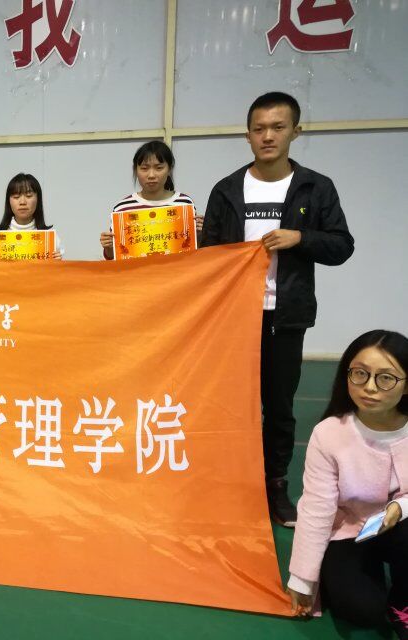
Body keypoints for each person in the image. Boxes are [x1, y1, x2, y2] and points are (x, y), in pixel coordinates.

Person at [201, 92, 354, 526]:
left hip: (285, 316)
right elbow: (209, 253)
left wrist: (300, 238)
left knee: (279, 407)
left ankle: (274, 486)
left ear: (295, 132)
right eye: (259, 128)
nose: (267, 136)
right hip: (234, 317)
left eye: (277, 127)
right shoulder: (227, 189)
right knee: (231, 406)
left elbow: (342, 245)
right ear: (247, 135)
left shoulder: (315, 187)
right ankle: (232, 485)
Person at [287, 330, 407, 638]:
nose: (370, 387)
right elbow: (316, 509)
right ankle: (359, 572)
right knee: (361, 610)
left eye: (386, 378)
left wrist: (400, 507)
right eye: (360, 373)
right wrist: (302, 579)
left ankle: (402, 601)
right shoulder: (329, 434)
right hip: (350, 530)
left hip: (401, 526)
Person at [100, 140, 202, 260]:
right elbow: (113, 256)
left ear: (169, 169)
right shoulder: (123, 208)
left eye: (159, 168)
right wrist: (108, 246)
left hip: (176, 271)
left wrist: (200, 233)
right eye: (144, 168)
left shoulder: (184, 203)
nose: (151, 175)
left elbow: (195, 250)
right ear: (136, 170)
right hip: (139, 272)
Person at [0, 172, 62, 259]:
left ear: (38, 199)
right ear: (9, 201)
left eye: (29, 196)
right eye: (16, 196)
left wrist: (58, 264)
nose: (22, 202)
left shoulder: (52, 240)